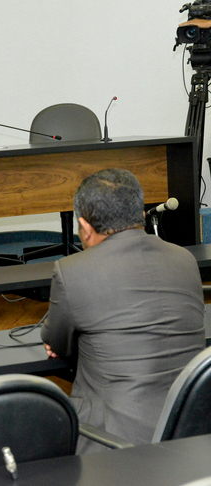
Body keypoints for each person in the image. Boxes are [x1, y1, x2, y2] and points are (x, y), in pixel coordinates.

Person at [41, 169, 205, 452]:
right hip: (190, 434)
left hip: (113, 447)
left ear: (85, 227)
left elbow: (57, 343)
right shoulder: (185, 259)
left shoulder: (72, 271)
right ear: (140, 214)